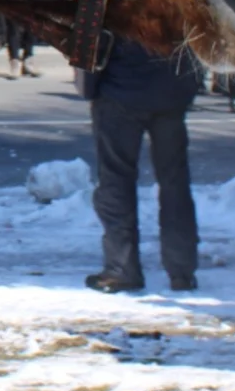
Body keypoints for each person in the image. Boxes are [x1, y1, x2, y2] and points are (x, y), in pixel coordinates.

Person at [79, 36, 204, 293]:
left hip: (119, 91)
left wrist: (90, 88)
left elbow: (88, 38)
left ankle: (122, 268)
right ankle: (181, 270)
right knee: (175, 183)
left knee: (116, 180)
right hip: (171, 91)